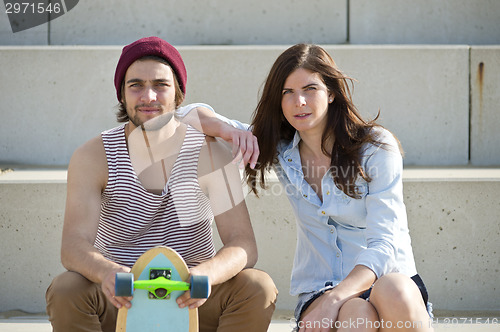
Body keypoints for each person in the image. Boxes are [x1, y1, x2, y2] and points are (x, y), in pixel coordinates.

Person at [180, 43, 434, 331]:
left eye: (310, 89)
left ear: (332, 92)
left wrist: (334, 299)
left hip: (387, 281)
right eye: (287, 92)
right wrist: (229, 131)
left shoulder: (375, 147)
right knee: (355, 316)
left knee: (393, 290)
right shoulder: (281, 149)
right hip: (321, 287)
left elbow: (384, 244)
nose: (299, 101)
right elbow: (184, 116)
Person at [45, 36, 277, 332]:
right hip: (121, 298)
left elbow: (243, 243)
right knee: (67, 289)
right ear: (122, 95)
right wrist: (107, 272)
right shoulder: (94, 156)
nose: (149, 96)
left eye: (161, 85)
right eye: (136, 85)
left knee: (257, 286)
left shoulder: (209, 153)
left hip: (190, 298)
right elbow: (73, 247)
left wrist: (206, 274)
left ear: (179, 95)